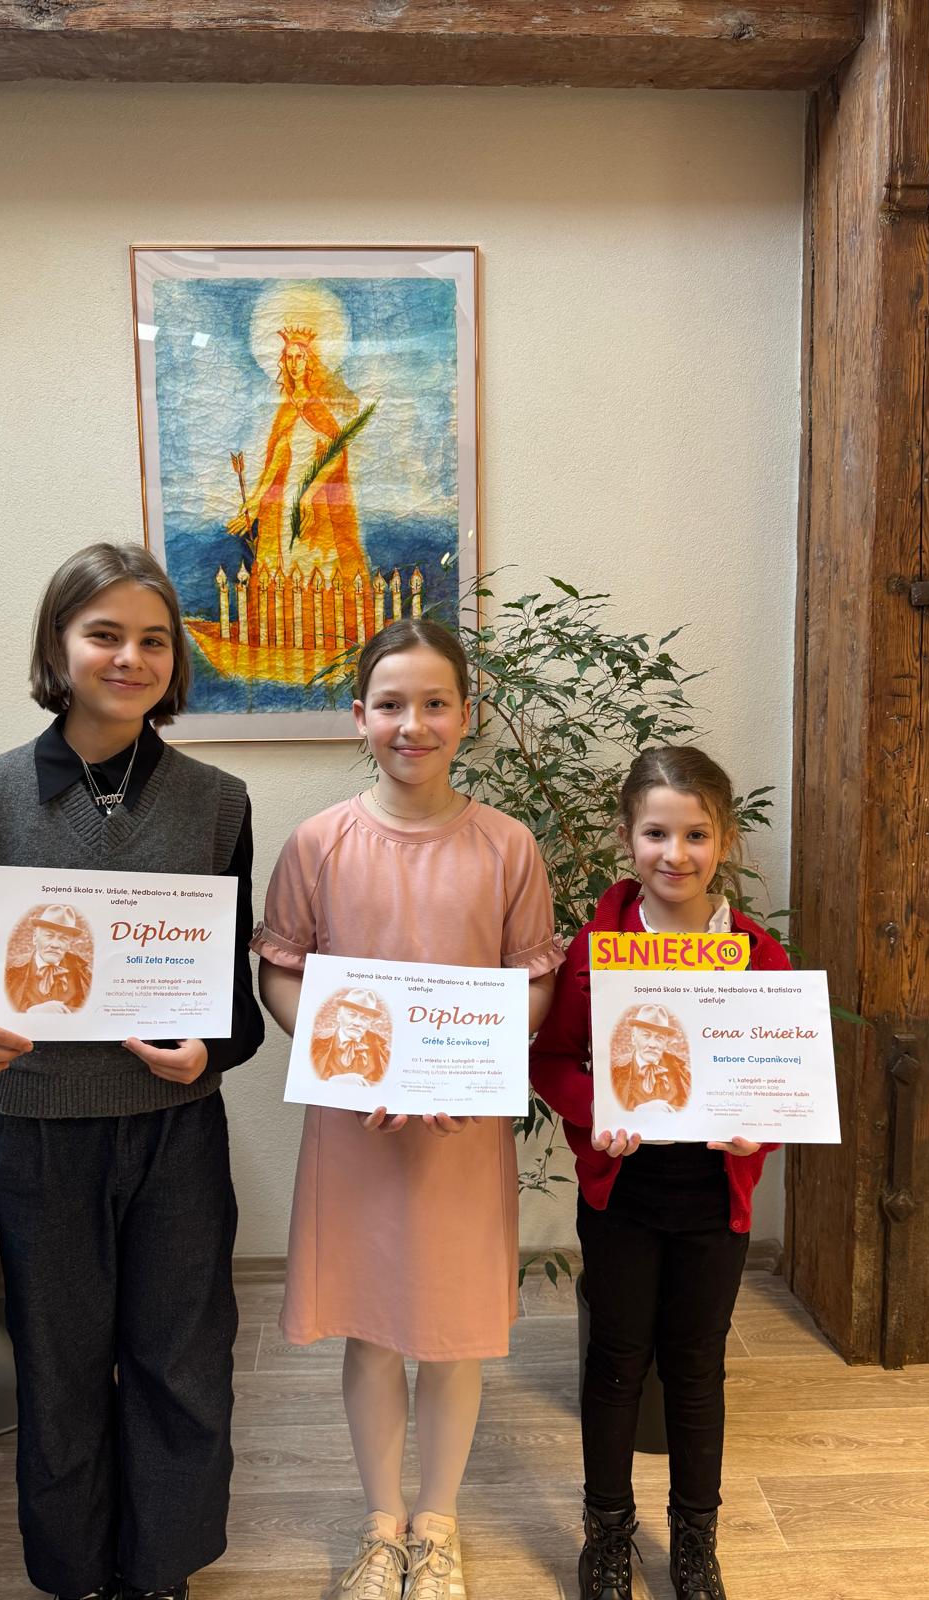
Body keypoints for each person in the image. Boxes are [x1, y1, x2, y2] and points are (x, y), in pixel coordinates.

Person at [0, 542, 264, 1600]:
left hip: (174, 1131)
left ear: (176, 660)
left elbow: (234, 993)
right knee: (60, 1369)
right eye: (104, 633)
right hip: (40, 1129)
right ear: (58, 645)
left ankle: (161, 1569)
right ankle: (75, 1576)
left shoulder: (219, 802)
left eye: (154, 639)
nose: (130, 657)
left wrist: (215, 1047)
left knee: (181, 1359)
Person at [253, 618, 562, 1600]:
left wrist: (469, 1068)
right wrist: (352, 1069)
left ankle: (438, 1523)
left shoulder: (507, 846)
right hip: (358, 1129)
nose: (412, 724)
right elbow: (280, 970)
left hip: (460, 1136)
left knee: (455, 1331)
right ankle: (381, 1522)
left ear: (466, 715)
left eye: (434, 703)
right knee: (373, 1327)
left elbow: (535, 980)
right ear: (360, 715)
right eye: (390, 704)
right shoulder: (320, 842)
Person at [529, 746, 791, 1600]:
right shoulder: (595, 950)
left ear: (726, 841)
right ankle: (607, 1532)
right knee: (615, 1361)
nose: (675, 854)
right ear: (627, 837)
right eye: (655, 833)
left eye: (695, 835)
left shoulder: (758, 954)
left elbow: (779, 1078)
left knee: (697, 1366)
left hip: (714, 1200)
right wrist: (594, 1110)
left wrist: (758, 1134)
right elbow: (551, 1060)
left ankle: (694, 1539)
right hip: (624, 1196)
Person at [230, 323, 369, 589]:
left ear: (309, 362)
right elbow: (279, 458)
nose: (294, 364)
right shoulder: (287, 409)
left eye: (300, 357)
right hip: (285, 499)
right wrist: (256, 500)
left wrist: (308, 495)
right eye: (289, 358)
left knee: (314, 563)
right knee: (284, 559)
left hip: (315, 498)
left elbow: (336, 456)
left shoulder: (317, 407)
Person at [4, 903, 92, 1013]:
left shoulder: (85, 974)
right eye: (49, 936)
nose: (55, 944)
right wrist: (30, 1012)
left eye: (63, 938)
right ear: (35, 938)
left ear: (69, 944)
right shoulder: (10, 971)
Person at [610, 1003, 690, 1112]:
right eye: (646, 1036)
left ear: (665, 1043)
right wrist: (636, 1111)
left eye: (659, 1038)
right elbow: (606, 1112)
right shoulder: (615, 1072)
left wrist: (669, 1110)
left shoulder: (682, 1072)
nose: (652, 1044)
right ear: (633, 1038)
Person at [311, 988, 392, 1082]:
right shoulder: (315, 1044)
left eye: (365, 1018)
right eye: (352, 1015)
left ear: (370, 1023)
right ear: (339, 1016)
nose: (357, 1023)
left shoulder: (383, 1051)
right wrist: (332, 1081)